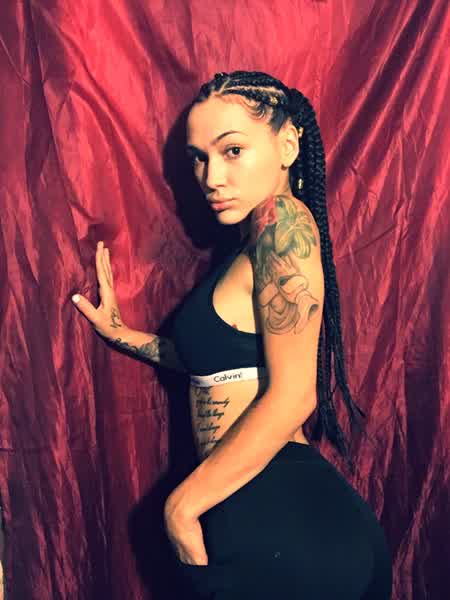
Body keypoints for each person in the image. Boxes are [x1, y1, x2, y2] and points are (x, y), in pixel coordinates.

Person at [71, 70, 392, 599]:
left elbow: (296, 395)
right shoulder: (245, 252)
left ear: (287, 146)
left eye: (233, 150)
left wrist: (181, 507)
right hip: (256, 510)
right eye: (199, 158)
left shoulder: (281, 220)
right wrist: (121, 332)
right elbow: (207, 360)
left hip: (285, 519)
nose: (211, 177)